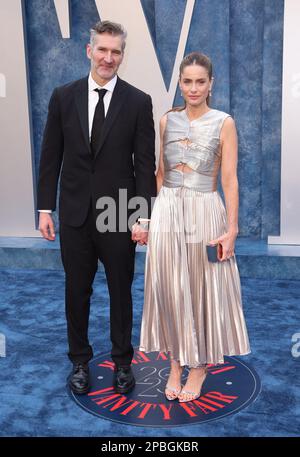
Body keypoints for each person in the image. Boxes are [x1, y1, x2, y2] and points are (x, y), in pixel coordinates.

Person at [37, 20, 156, 395]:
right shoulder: (63, 96)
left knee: (121, 291)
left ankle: (123, 363)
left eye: (115, 51)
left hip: (119, 211)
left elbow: (143, 165)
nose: (108, 57)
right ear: (90, 51)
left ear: (122, 56)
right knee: (77, 291)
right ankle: (80, 362)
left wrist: (142, 217)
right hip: (73, 213)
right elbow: (50, 157)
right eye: (102, 50)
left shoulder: (138, 101)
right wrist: (44, 209)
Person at [138, 52, 250, 402]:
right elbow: (158, 175)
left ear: (211, 83)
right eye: (187, 81)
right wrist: (146, 219)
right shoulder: (166, 121)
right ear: (181, 83)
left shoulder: (224, 122)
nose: (193, 88)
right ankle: (175, 363)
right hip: (168, 210)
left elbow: (229, 179)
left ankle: (199, 366)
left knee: (203, 287)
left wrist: (231, 230)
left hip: (205, 211)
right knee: (170, 289)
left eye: (200, 81)